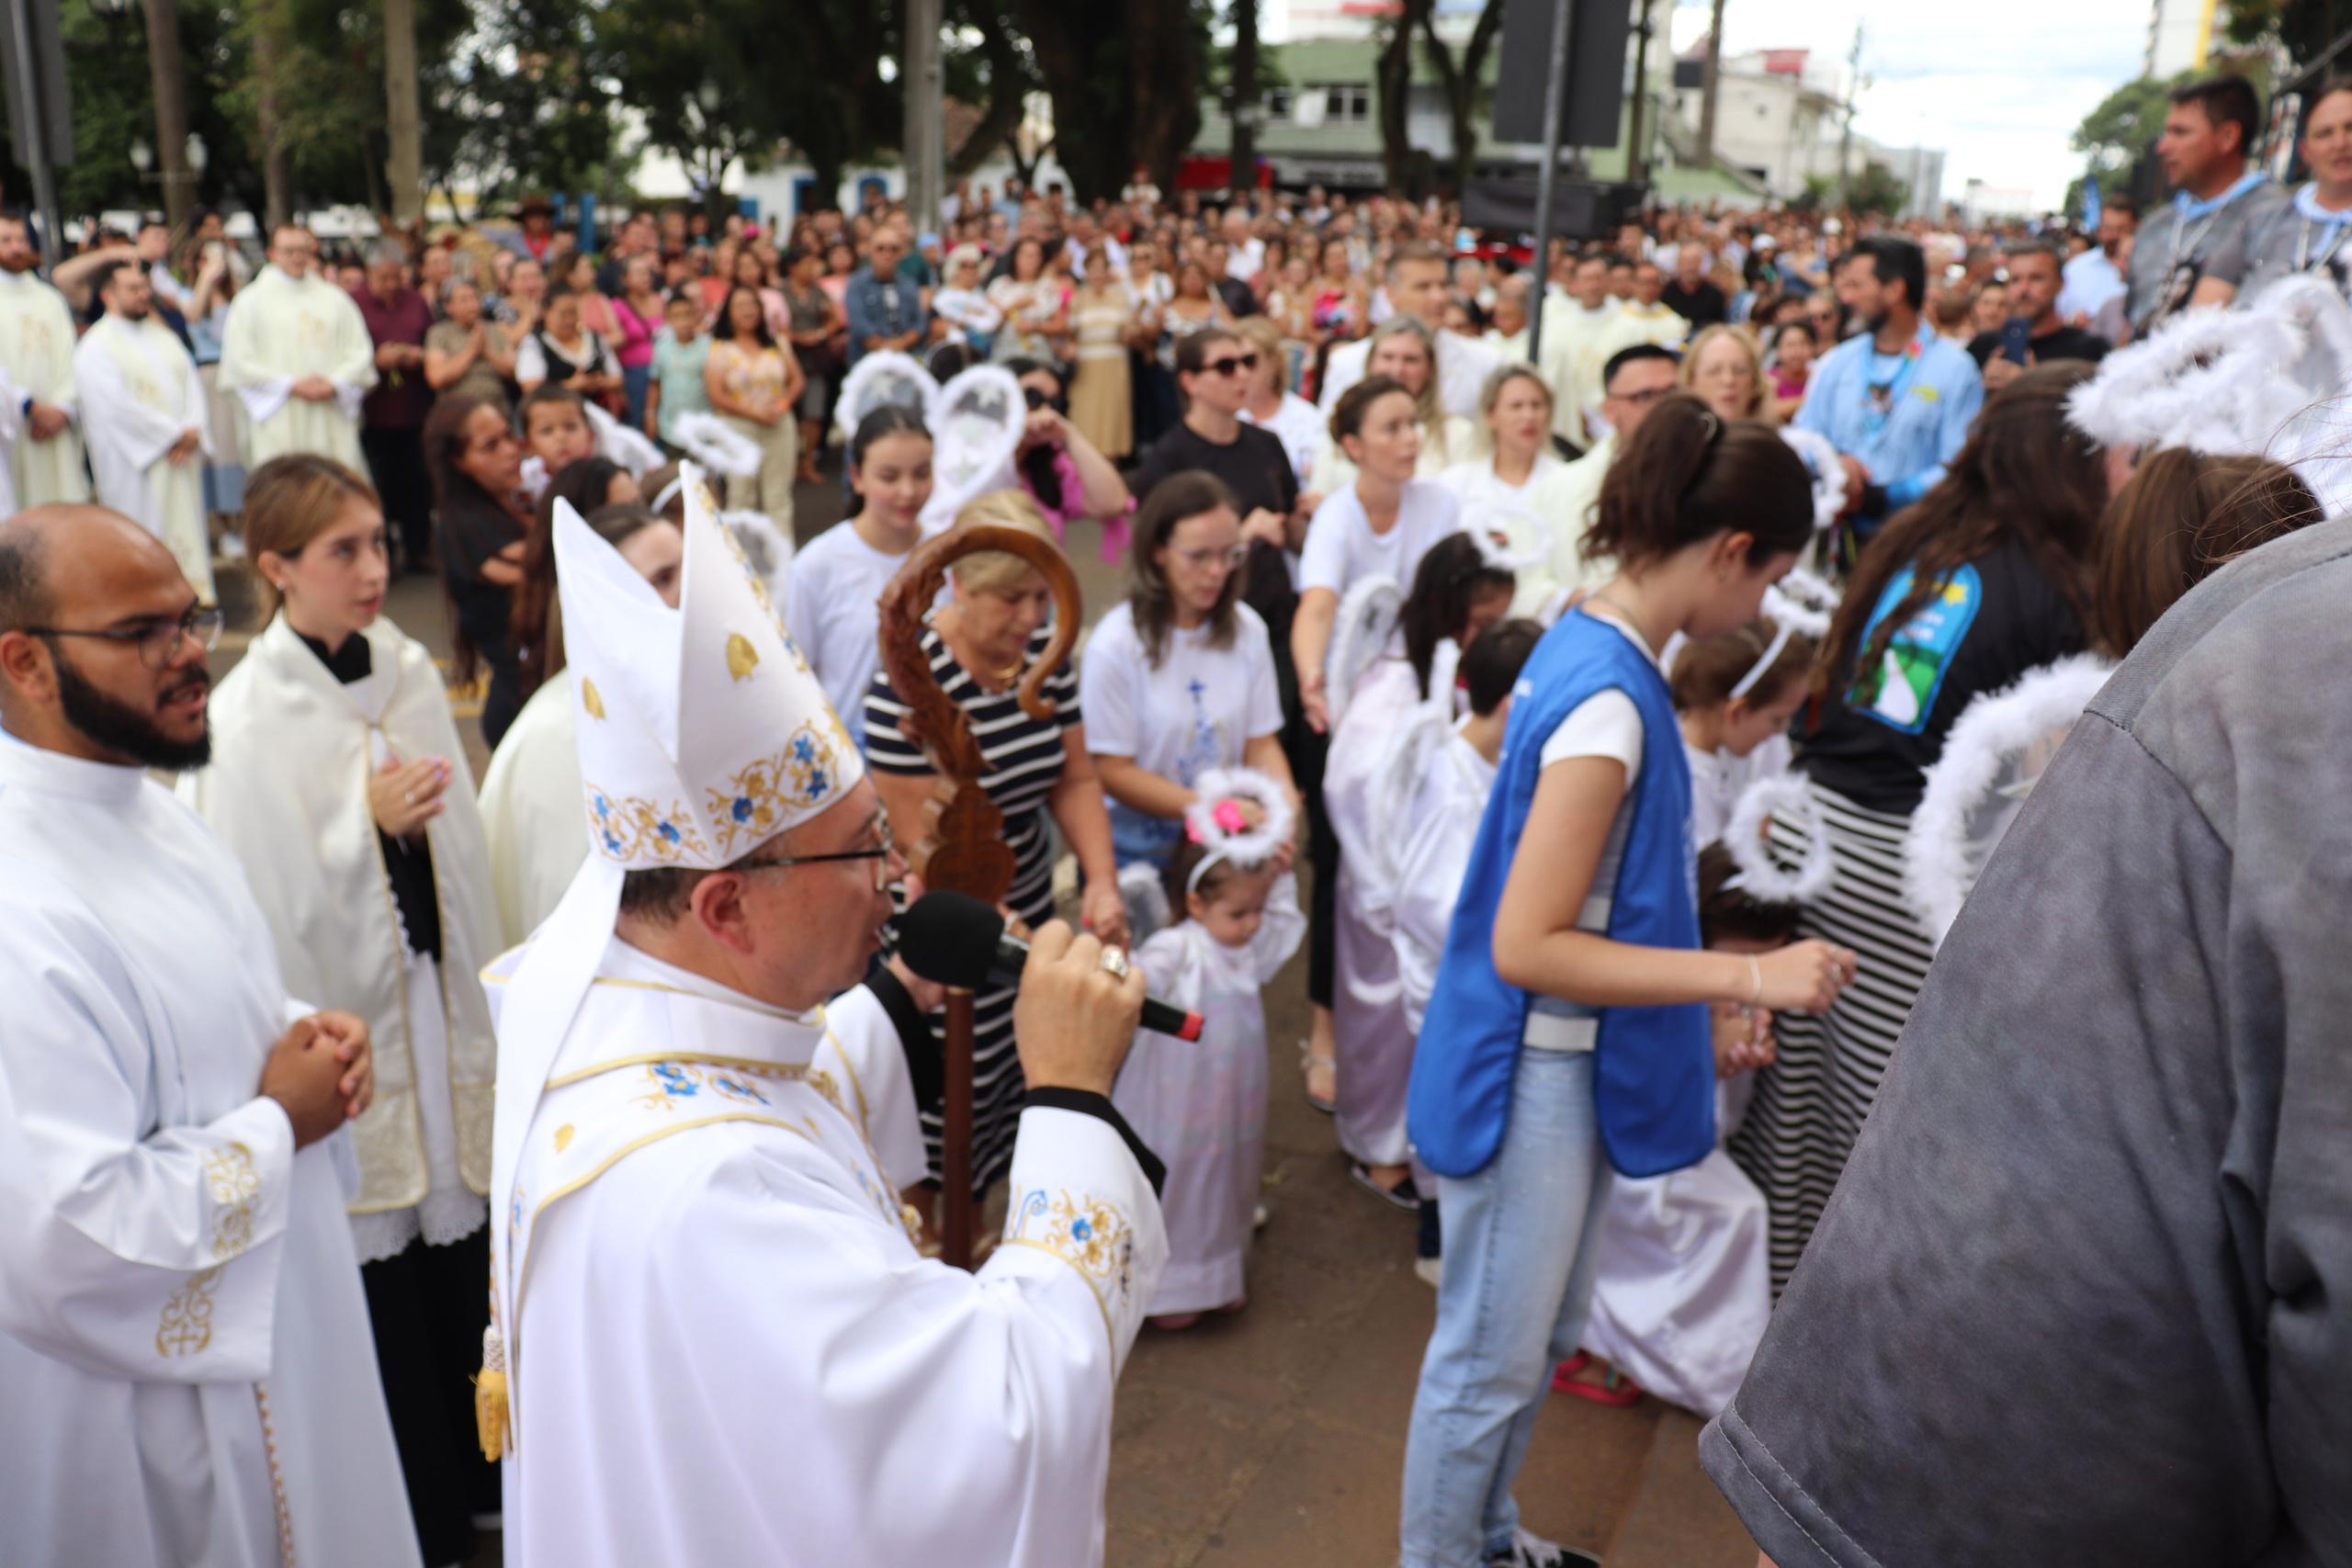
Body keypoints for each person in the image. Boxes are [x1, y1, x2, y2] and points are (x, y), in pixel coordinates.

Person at [483, 485, 1168, 1568]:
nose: (896, 875)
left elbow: (768, 1085)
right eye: (864, 850)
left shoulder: (619, 1011)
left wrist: (897, 994)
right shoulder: (708, 1191)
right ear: (725, 906)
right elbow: (1002, 1417)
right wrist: (1071, 1096)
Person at [1698, 516, 2352, 1568]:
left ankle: (1771, 1333)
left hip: (1850, 849)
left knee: (1840, 1134)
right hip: (1896, 874)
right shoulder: (2243, 671)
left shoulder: (1930, 548)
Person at [1398, 394, 1850, 1568]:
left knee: (1526, 1338)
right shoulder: (1612, 695)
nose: (1759, 609)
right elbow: (1530, 942)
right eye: (1768, 580)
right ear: (1731, 549)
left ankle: (1483, 1538)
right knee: (1488, 1361)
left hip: (1549, 1062)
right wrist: (1746, 974)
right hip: (1536, 1067)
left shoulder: (1588, 637)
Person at [0, 504, 419, 1568]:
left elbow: (197, 1010)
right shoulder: (17, 902)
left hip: (286, 1335)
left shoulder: (156, 812)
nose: (191, 654)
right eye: (142, 632)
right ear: (25, 662)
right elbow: (64, 1237)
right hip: (150, 1428)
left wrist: (302, 1030)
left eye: (190, 618)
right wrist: (282, 1122)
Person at [179, 456, 502, 1563]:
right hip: (351, 1039)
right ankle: (424, 1514)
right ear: (275, 568)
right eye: (343, 551)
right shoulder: (244, 720)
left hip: (438, 1009)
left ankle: (497, 1485)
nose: (373, 570)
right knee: (386, 1290)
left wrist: (409, 833)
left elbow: (464, 855)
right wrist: (361, 827)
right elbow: (253, 901)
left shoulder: (407, 669)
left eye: (377, 544)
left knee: (464, 1249)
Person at [1730, 365, 2105, 1291]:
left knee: (1795, 1107)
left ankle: (1762, 1309)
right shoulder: (2053, 584)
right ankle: (1829, 1327)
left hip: (1815, 836)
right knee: (1883, 1122)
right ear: (2071, 459)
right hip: (1906, 870)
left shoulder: (1918, 540)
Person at [864, 492, 1129, 1197]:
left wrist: (1101, 880)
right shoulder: (907, 688)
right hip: (948, 927)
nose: (1032, 617)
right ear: (958, 584)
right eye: (1013, 598)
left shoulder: (1045, 654)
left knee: (1021, 1086)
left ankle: (986, 1228)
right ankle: (934, 1234)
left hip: (1029, 905)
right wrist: (1028, 948)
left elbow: (1074, 776)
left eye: (1043, 596)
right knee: (948, 1109)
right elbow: (933, 853)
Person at [1327, 535, 1516, 1212]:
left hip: (1427, 874)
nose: (1485, 636)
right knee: (1382, 1029)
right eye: (1482, 622)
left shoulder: (1442, 674)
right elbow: (1350, 790)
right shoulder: (1394, 690)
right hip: (1386, 882)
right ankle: (1376, 1145)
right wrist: (1384, 889)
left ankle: (1414, 1142)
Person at [1575, 843, 1790, 1418]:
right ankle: (1706, 1372)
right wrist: (1710, 1057)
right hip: (1638, 1150)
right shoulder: (1666, 986)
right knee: (1737, 1213)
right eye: (1744, 964)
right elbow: (1651, 1092)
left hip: (1684, 1137)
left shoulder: (1731, 999)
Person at [1118, 830, 1306, 1327]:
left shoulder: (1245, 947)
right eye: (1239, 914)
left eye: (1258, 910)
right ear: (1196, 903)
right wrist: (1119, 958)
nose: (1253, 924)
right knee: (1184, 1187)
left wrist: (1280, 876)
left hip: (1232, 1100)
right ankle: (1170, 1292)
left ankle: (1219, 1276)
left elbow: (1283, 928)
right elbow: (1139, 984)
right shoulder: (1178, 947)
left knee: (1229, 1181)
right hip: (1178, 1105)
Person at [477, 502, 684, 947]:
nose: (689, 593)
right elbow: (560, 904)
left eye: (691, 570)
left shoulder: (689, 694)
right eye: (663, 580)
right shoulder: (554, 737)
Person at [1081, 470, 1294, 873]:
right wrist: (1209, 807)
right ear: (1157, 551)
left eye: (1229, 554)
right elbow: (1111, 769)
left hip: (1223, 846)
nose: (1216, 571)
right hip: (1138, 852)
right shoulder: (1115, 645)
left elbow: (1260, 742)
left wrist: (1283, 810)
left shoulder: (1247, 629)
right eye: (1199, 557)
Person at [1292, 374, 1465, 733]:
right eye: (1392, 429)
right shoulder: (1336, 517)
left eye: (1412, 424)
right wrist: (1311, 677)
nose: (1411, 438)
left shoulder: (1440, 503)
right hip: (1352, 684)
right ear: (1354, 446)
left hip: (1424, 676)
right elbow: (1318, 606)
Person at [1794, 235, 1984, 547]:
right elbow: (1803, 439)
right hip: (1836, 543)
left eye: (1857, 286)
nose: (1847, 297)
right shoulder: (1838, 361)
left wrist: (1885, 497)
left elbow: (1961, 466)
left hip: (1914, 547)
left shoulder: (1955, 370)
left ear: (1894, 290)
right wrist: (1835, 464)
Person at [786, 405, 935, 749]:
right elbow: (795, 676)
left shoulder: (945, 554)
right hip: (850, 746)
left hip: (932, 742)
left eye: (921, 474)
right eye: (889, 477)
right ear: (857, 476)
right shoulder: (817, 565)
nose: (908, 491)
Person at [74, 260, 214, 605]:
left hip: (180, 456)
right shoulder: (95, 346)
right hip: (137, 464)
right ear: (108, 295)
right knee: (145, 532)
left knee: (188, 528)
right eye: (133, 289)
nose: (143, 295)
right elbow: (112, 407)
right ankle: (151, 606)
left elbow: (191, 384)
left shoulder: (164, 336)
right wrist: (172, 436)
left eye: (145, 288)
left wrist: (193, 428)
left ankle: (195, 598)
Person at [1532, 344, 1681, 606]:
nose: (1664, 407)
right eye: (1644, 396)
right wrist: (1582, 599)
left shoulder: (1716, 476)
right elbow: (1527, 586)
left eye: (1672, 393)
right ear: (1610, 411)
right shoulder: (1558, 488)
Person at [2133, 74, 2288, 327]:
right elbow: (2131, 325)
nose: (2162, 147)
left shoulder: (2278, 219)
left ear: (2227, 136)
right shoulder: (2154, 226)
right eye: (2166, 132)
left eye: (2180, 132)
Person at [220, 223, 378, 469]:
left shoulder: (335, 299)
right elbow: (238, 362)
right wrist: (290, 385)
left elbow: (359, 352)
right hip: (280, 414)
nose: (297, 257)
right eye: (288, 251)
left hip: (328, 411)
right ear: (272, 253)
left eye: (302, 250)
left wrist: (334, 383)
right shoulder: (250, 302)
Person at [426, 392, 535, 749]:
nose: (510, 451)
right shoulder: (466, 529)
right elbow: (549, 571)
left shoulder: (524, 501)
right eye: (490, 446)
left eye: (509, 436)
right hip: (522, 712)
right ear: (458, 462)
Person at [1439, 365, 1573, 616]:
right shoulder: (1454, 483)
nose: (1528, 416)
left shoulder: (1569, 481)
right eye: (1516, 406)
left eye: (1537, 405)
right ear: (1491, 415)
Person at [1318, 242, 1500, 419]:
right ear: (1391, 293)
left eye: (1443, 285)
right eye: (1423, 287)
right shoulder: (1347, 364)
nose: (1438, 297)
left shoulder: (1483, 362)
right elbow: (1328, 435)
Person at [1673, 615, 1812, 846]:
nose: (1781, 732)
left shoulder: (1712, 762)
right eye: (1777, 720)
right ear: (1737, 712)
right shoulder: (1685, 785)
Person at [352, 241, 437, 572]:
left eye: (396, 277)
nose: (391, 284)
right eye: (383, 277)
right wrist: (374, 362)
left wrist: (418, 356)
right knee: (379, 486)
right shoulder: (354, 303)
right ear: (370, 273)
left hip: (414, 407)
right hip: (373, 412)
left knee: (417, 482)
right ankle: (383, 553)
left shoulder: (415, 301)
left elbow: (433, 342)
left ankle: (418, 548)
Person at [1313, 318, 1477, 490]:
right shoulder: (1345, 428)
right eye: (1387, 357)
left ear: (1430, 368)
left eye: (1410, 360)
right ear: (1371, 362)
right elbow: (1319, 493)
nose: (1397, 370)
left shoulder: (1459, 434)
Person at [0, 213, 89, 507]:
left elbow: (70, 358)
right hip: (14, 426)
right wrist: (29, 407)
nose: (16, 247)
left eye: (21, 240)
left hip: (57, 426)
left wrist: (63, 407)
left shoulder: (50, 298)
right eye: (6, 240)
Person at [2238, 80, 2352, 303]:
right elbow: (2207, 307)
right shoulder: (2260, 220)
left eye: (2351, 128)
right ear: (2304, 150)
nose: (2339, 144)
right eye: (2324, 134)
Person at [704, 282, 803, 535]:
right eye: (740, 305)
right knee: (741, 496)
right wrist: (755, 414)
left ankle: (782, 554)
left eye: (752, 304)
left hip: (778, 425)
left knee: (777, 497)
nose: (747, 310)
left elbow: (797, 381)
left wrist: (781, 405)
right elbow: (716, 395)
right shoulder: (719, 349)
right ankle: (740, 554)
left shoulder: (777, 343)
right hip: (738, 427)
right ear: (729, 313)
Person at [1967, 240, 2110, 389]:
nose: (2024, 289)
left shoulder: (2088, 350)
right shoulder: (1983, 347)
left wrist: (2031, 385)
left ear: (2060, 283)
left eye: (2036, 278)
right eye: (2015, 280)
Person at [1538, 253, 1629, 448]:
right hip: (1569, 420)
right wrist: (1575, 413)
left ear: (1609, 281)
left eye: (1598, 278)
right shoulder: (1558, 328)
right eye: (1587, 279)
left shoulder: (1628, 325)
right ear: (1574, 284)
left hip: (1612, 420)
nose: (1593, 286)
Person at [1234, 311, 1323, 489]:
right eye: (1231, 364)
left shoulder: (1309, 419)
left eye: (1249, 361)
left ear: (1273, 362)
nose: (1241, 373)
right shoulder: (1224, 418)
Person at [1067, 243, 1136, 459]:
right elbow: (1069, 335)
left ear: (1108, 272)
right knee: (1085, 416)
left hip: (1114, 366)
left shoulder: (1120, 297)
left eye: (1101, 268)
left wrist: (1129, 334)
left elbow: (1129, 331)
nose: (1097, 274)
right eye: (1092, 269)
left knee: (1111, 418)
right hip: (1085, 369)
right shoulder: (1076, 298)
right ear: (1085, 272)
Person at [780, 245, 842, 480]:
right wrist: (791, 337)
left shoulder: (819, 293)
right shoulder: (780, 293)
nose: (811, 269)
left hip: (815, 361)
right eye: (805, 265)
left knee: (814, 412)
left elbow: (834, 320)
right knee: (790, 415)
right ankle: (792, 463)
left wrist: (819, 335)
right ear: (792, 268)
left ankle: (809, 463)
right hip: (787, 362)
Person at [514, 286, 622, 406]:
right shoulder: (534, 343)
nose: (570, 320)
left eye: (573, 313)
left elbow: (617, 378)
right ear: (546, 312)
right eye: (563, 314)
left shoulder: (592, 337)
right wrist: (571, 385)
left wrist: (599, 382)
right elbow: (531, 389)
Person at [425, 277, 517, 411]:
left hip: (497, 408)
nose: (472, 305)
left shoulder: (496, 330)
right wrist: (472, 351)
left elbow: (515, 373)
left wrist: (486, 352)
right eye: (464, 300)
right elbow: (436, 378)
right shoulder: (439, 333)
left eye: (475, 298)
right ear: (448, 307)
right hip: (456, 411)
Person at [848, 226, 929, 367]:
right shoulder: (856, 284)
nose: (887, 254)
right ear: (870, 250)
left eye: (894, 249)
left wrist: (900, 344)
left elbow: (918, 324)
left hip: (908, 357)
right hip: (868, 359)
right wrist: (887, 349)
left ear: (901, 253)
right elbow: (860, 327)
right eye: (880, 249)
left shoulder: (909, 284)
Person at [645, 289, 711, 451]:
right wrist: (650, 415)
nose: (683, 321)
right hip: (671, 427)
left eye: (687, 314)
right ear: (667, 319)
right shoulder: (661, 348)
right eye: (676, 316)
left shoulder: (708, 346)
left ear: (695, 315)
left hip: (703, 426)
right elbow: (655, 383)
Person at [2058, 196, 2136, 326]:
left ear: (2136, 227)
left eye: (2121, 229)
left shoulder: (2149, 271)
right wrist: (2072, 321)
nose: (2113, 236)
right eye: (2108, 228)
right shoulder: (2075, 268)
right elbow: (2057, 313)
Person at [607, 254, 663, 431]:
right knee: (638, 425)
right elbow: (612, 351)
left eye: (647, 272)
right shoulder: (616, 306)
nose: (645, 277)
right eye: (639, 273)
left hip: (662, 373)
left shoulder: (660, 300)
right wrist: (620, 388)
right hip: (634, 377)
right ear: (625, 279)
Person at [1660, 243, 1728, 329]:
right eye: (1685, 262)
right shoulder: (1665, 292)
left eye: (1695, 261)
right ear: (1678, 264)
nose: (1690, 267)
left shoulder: (1715, 294)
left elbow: (1719, 327)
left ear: (1702, 263)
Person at [1766, 320, 1815, 421]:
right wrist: (1808, 400)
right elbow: (1770, 410)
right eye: (1790, 345)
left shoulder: (1817, 377)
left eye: (1803, 344)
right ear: (1778, 350)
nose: (1796, 352)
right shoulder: (1768, 379)